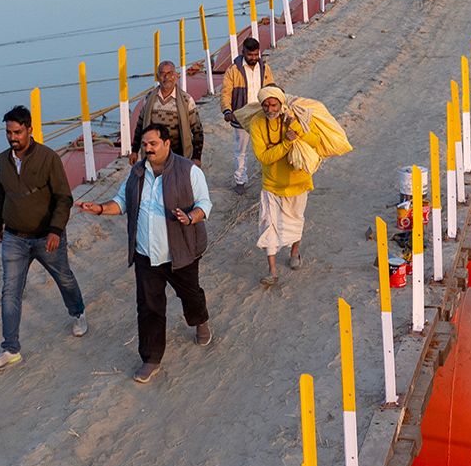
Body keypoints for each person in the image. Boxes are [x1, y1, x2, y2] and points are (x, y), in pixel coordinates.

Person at [84, 124, 211, 384]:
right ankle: (151, 358)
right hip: (145, 254)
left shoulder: (189, 171)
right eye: (145, 144)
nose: (148, 149)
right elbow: (122, 202)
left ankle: (200, 321)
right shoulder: (137, 172)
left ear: (166, 144)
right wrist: (99, 209)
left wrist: (189, 217)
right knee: (149, 307)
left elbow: (204, 204)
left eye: (153, 143)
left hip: (180, 253)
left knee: (191, 295)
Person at [0, 105, 86, 372]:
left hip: (46, 237)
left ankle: (78, 313)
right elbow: (1, 194)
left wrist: (55, 230)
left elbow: (64, 197)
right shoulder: (2, 160)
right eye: (8, 132)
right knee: (10, 292)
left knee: (63, 278)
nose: (12, 138)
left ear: (30, 130)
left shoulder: (48, 158)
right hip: (14, 239)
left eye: (17, 132)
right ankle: (10, 349)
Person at [247, 85, 313, 286]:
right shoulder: (257, 122)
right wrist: (285, 143)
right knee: (269, 226)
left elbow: (314, 140)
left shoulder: (295, 117)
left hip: (298, 182)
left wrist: (296, 128)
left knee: (295, 220)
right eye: (265, 105)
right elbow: (264, 157)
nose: (269, 109)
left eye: (273, 104)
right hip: (271, 185)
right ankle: (272, 271)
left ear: (281, 104)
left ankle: (294, 252)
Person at [220, 37, 279, 194]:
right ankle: (240, 181)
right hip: (242, 116)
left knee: (269, 146)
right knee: (242, 150)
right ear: (243, 52)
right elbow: (226, 92)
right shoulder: (233, 70)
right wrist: (227, 110)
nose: (253, 58)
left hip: (263, 113)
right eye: (250, 55)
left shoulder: (265, 68)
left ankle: (271, 179)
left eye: (255, 54)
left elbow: (272, 88)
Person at [132, 60, 204, 163]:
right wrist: (134, 150)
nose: (166, 77)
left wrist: (197, 157)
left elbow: (197, 131)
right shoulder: (149, 99)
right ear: (157, 77)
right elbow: (140, 126)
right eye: (162, 74)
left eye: (170, 73)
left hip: (178, 156)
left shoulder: (186, 100)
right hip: (154, 156)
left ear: (175, 75)